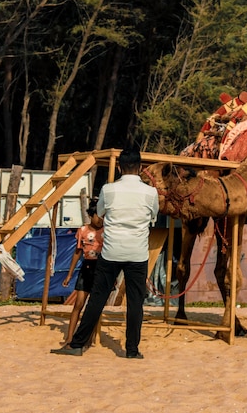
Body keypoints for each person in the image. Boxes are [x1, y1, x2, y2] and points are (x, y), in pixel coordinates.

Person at [51, 148, 159, 358]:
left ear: (119, 168)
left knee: (97, 299)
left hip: (111, 250)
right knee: (135, 302)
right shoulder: (150, 192)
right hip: (137, 252)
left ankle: (77, 344)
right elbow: (153, 214)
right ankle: (132, 350)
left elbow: (100, 213)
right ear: (141, 168)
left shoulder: (109, 190)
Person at [61, 198, 104, 344]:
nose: (101, 220)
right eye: (99, 216)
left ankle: (89, 338)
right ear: (91, 215)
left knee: (94, 306)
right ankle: (69, 337)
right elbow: (77, 252)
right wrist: (69, 274)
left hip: (101, 269)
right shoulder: (83, 231)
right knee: (78, 304)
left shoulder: (107, 231)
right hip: (86, 268)